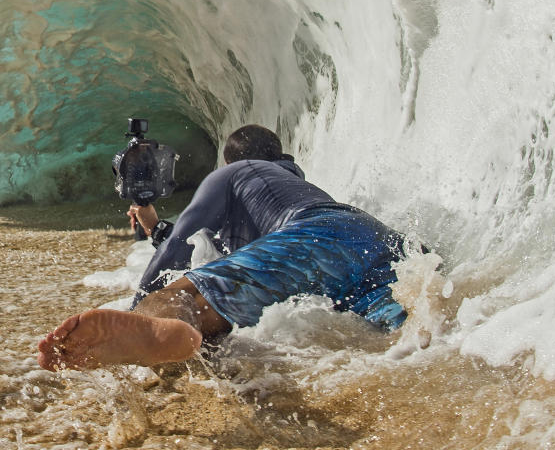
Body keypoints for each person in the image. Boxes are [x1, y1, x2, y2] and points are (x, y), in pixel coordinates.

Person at [37, 124, 415, 371]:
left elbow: (183, 247)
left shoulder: (238, 171)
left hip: (317, 234)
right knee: (410, 330)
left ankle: (157, 330)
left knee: (186, 299)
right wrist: (155, 228)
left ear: (229, 160)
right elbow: (229, 258)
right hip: (381, 244)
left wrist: (141, 307)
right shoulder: (289, 183)